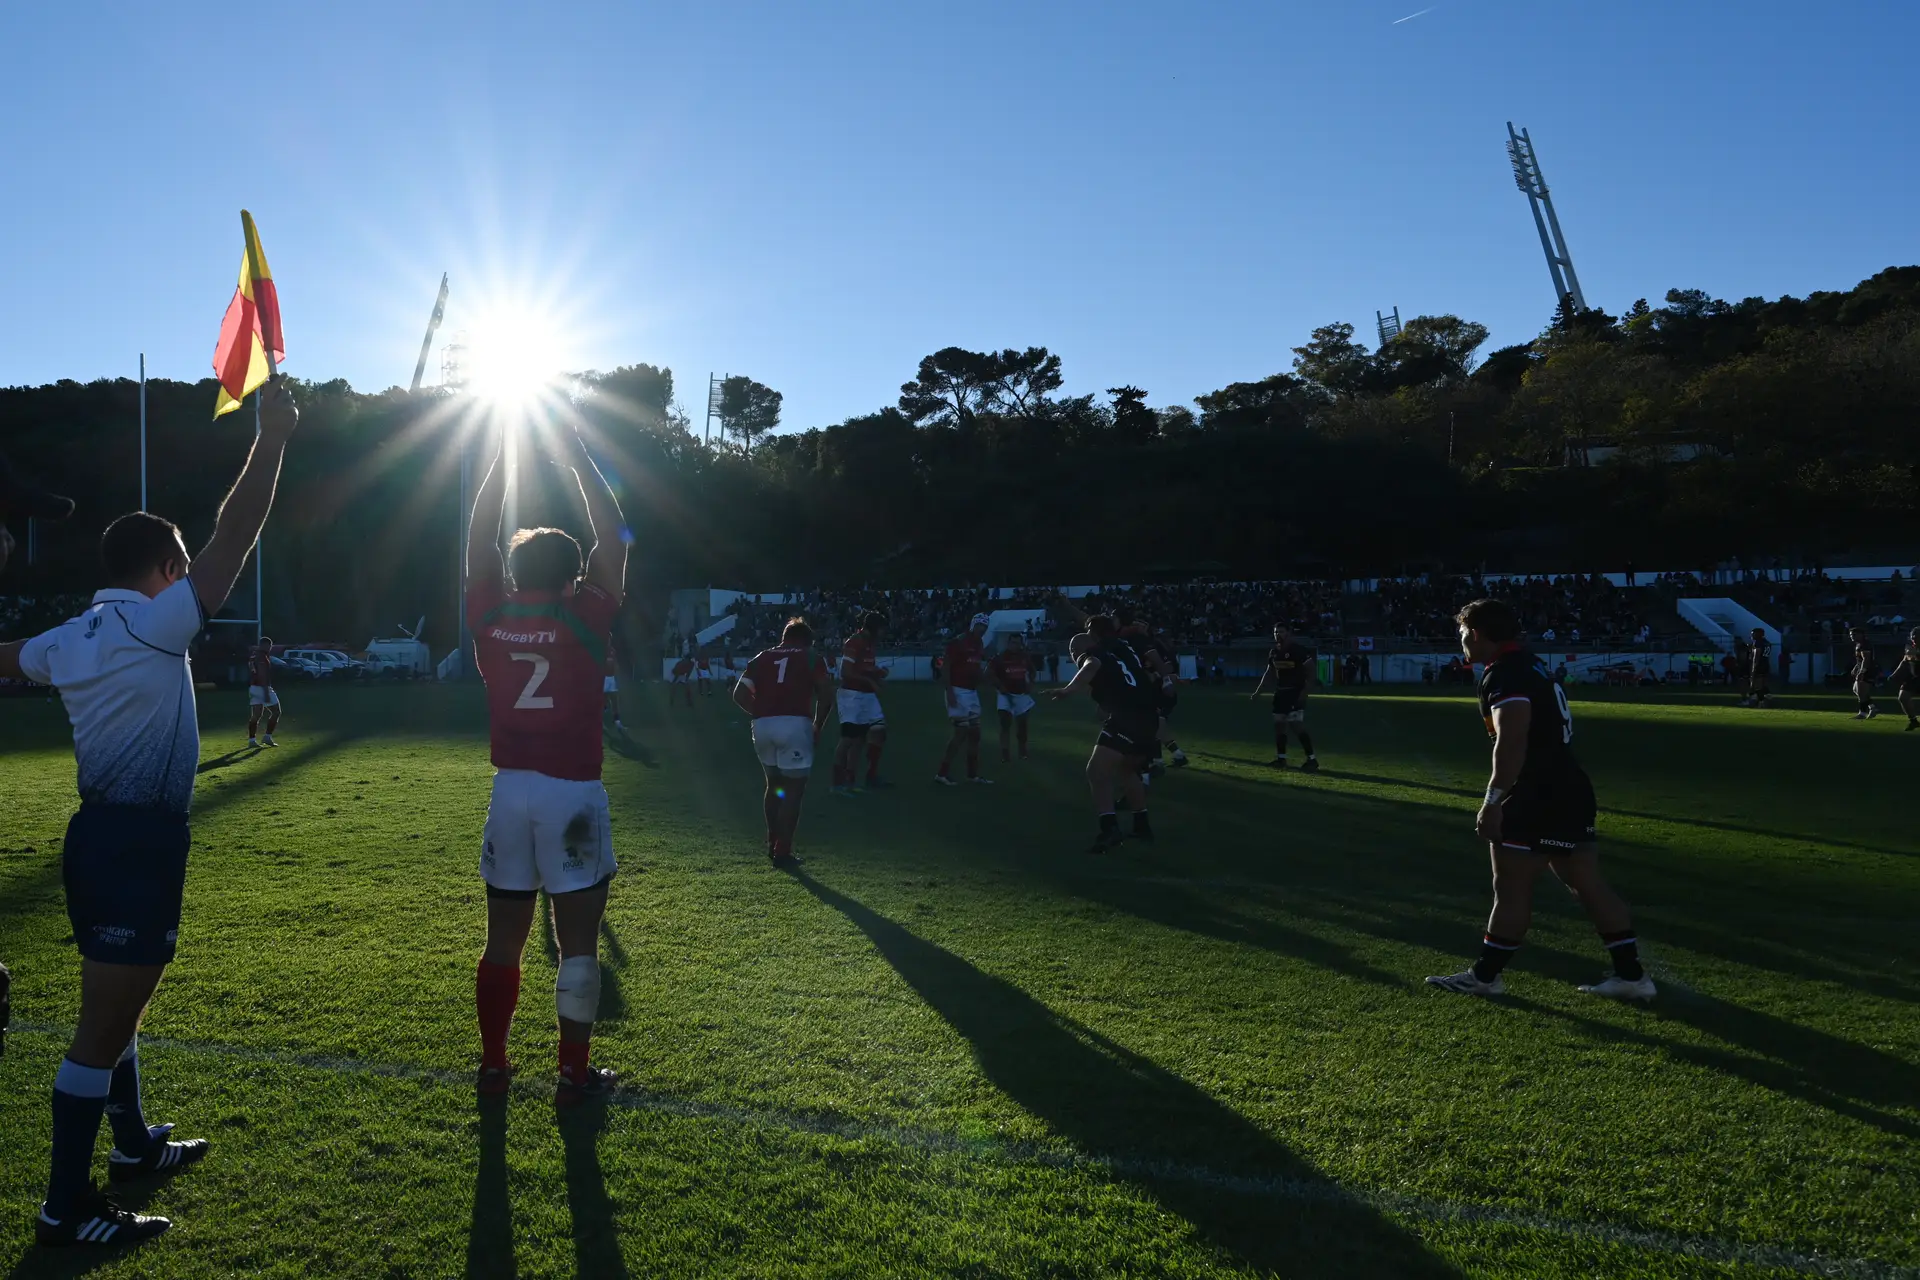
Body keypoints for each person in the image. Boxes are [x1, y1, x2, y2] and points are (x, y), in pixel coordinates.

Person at [0, 378, 298, 1248]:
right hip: (136, 844)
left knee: (117, 1007)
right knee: (102, 1026)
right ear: (169, 570)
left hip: (94, 837)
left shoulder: (66, 638)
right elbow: (237, 531)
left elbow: (5, 656)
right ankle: (67, 1206)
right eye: (184, 565)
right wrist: (272, 440)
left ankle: (131, 1145)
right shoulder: (157, 626)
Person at [465, 420, 627, 1108]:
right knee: (579, 941)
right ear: (575, 575)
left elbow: (475, 537)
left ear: (514, 571)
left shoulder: (489, 613)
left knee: (504, 941)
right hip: (573, 794)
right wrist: (576, 452)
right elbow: (614, 529)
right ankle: (572, 1073)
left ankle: (496, 1065)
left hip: (510, 792)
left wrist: (505, 454)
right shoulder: (587, 613)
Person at [1426, 599, 1653, 1001]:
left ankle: (1484, 976)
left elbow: (1513, 740)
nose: (1460, 641)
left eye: (1462, 633)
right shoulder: (1531, 664)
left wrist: (1493, 799)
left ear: (1476, 633)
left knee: (1511, 887)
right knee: (1587, 883)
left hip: (1534, 792)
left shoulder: (1505, 673)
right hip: (1570, 787)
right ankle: (1632, 976)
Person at [1050, 616, 1159, 853]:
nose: (1072, 656)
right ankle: (1142, 825)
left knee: (1096, 771)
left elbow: (1092, 665)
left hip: (1128, 718)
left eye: (1071, 651)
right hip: (1149, 716)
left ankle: (1109, 829)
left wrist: (1070, 689)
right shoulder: (1122, 649)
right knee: (1127, 769)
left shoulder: (1092, 653)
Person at [731, 618, 834, 866]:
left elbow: (739, 694)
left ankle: (772, 841)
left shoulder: (761, 657)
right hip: (795, 724)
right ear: (806, 640)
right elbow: (826, 693)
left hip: (763, 725)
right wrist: (818, 725)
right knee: (794, 790)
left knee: (773, 783)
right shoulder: (811, 657)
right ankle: (783, 850)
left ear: (784, 637)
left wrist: (762, 712)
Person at [832, 610, 890, 793]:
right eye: (881, 629)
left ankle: (861, 777)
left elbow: (864, 668)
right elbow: (846, 672)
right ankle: (837, 783)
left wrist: (877, 674)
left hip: (866, 695)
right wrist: (871, 681)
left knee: (874, 732)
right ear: (873, 628)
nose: (883, 633)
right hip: (851, 696)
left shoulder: (870, 644)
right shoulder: (854, 642)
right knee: (848, 739)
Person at [1249, 624, 1319, 771]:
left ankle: (1312, 759)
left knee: (1296, 725)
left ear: (1289, 633)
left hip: (1295, 693)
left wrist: (1305, 692)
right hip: (1280, 693)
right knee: (1279, 725)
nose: (1278, 634)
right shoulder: (1274, 652)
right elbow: (1268, 674)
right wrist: (1257, 692)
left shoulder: (1298, 650)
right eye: (1275, 632)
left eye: (1281, 631)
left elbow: (1311, 671)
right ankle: (1281, 759)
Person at [935, 614, 993, 786]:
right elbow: (946, 666)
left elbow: (975, 669)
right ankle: (942, 773)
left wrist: (987, 680)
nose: (982, 629)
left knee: (975, 734)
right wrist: (950, 691)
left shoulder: (979, 644)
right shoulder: (958, 642)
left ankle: (972, 775)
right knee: (960, 733)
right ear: (972, 625)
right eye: (979, 625)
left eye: (985, 626)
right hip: (958, 691)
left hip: (971, 692)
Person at [987, 632, 1038, 762]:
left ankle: (1022, 752)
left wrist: (1031, 683)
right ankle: (1005, 754)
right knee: (1005, 723)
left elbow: (1032, 671)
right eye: (1013, 643)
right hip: (1005, 694)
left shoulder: (1024, 657)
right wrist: (999, 686)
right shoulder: (1000, 657)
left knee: (1022, 725)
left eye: (1018, 643)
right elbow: (990, 673)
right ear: (1008, 643)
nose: (1016, 645)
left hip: (1021, 694)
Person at [246, 636, 282, 747]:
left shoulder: (254, 655)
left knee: (256, 715)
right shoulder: (262, 657)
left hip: (253, 687)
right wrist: (266, 691)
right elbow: (262, 674)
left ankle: (252, 741)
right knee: (276, 712)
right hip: (262, 687)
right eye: (269, 646)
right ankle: (267, 737)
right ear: (265, 645)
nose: (270, 648)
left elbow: (251, 669)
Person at [1891, 627, 1920, 731]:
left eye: (1917, 636)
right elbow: (1904, 661)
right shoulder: (1909, 647)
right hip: (1913, 677)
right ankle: (1913, 721)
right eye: (1913, 636)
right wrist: (1895, 674)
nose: (1914, 638)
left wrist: (1915, 654)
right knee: (1903, 697)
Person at [1849, 626, 1880, 720]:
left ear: (1861, 634)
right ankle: (1873, 707)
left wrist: (1862, 671)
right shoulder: (1859, 644)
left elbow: (1866, 659)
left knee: (1861, 692)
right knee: (1856, 690)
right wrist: (1856, 668)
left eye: (1854, 634)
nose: (1852, 637)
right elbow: (1860, 659)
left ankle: (1862, 713)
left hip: (1868, 670)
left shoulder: (1865, 644)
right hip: (1862, 668)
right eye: (1851, 635)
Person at [1740, 628, 1772, 708]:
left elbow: (1756, 656)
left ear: (1758, 634)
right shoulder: (1767, 642)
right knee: (1762, 685)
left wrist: (1753, 668)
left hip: (1759, 666)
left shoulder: (1758, 643)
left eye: (1753, 633)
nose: (1751, 635)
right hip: (1765, 665)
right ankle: (1766, 697)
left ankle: (1760, 702)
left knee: (1756, 685)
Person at [602, 650, 623, 732]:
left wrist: (616, 674)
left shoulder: (612, 650)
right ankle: (601, 722)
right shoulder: (603, 650)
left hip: (612, 679)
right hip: (604, 679)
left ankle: (617, 722)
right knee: (604, 701)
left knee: (615, 701)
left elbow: (616, 664)